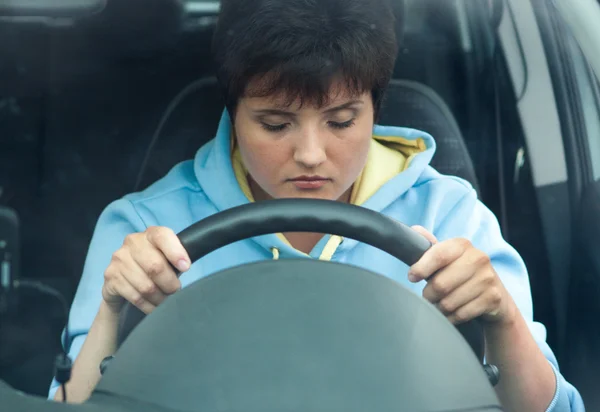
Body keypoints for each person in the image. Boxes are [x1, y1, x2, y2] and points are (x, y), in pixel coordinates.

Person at [48, 0, 584, 410]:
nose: (310, 155)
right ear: (233, 110)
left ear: (377, 106)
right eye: (276, 124)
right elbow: (69, 402)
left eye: (342, 121)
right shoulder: (145, 229)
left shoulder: (451, 219)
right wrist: (113, 312)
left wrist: (500, 319)